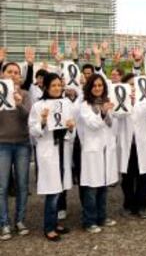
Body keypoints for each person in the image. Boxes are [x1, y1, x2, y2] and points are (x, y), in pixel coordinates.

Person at [28, 73, 75, 241]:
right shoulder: (39, 106)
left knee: (60, 188)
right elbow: (33, 131)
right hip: (49, 150)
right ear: (46, 87)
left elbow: (72, 127)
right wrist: (42, 121)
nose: (56, 88)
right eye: (53, 85)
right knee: (52, 191)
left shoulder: (66, 103)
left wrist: (70, 127)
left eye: (58, 85)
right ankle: (49, 227)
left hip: (63, 149)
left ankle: (55, 222)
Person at [78, 74, 118, 233]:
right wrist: (102, 112)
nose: (97, 88)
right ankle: (89, 221)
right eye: (94, 85)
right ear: (89, 87)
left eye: (100, 85)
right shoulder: (85, 105)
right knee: (91, 188)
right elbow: (93, 124)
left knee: (103, 186)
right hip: (92, 150)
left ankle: (102, 217)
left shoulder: (107, 103)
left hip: (105, 149)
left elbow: (111, 125)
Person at [117, 73, 146, 217]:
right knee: (127, 179)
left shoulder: (145, 101)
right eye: (130, 85)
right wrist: (128, 102)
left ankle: (142, 206)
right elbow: (118, 115)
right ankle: (128, 205)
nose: (133, 88)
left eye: (135, 85)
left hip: (142, 145)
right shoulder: (120, 102)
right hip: (128, 146)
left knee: (144, 178)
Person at [0, 62, 32, 241]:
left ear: (20, 76)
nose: (13, 75)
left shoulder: (25, 94)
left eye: (16, 72)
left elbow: (30, 118)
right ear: (2, 75)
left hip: (22, 143)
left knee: (22, 185)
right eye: (9, 72)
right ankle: (4, 223)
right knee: (2, 187)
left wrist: (19, 103)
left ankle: (20, 220)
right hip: (2, 144)